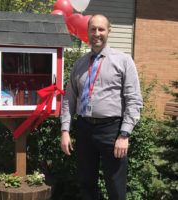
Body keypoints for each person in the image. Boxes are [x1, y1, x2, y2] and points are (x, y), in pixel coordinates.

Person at [60, 14, 143, 200]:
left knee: (115, 184)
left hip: (112, 130)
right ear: (87, 32)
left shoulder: (123, 61)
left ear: (108, 32)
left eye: (101, 29)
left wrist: (124, 134)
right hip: (84, 128)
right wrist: (65, 130)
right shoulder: (79, 64)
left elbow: (134, 99)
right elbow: (69, 100)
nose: (97, 33)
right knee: (86, 182)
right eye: (93, 29)